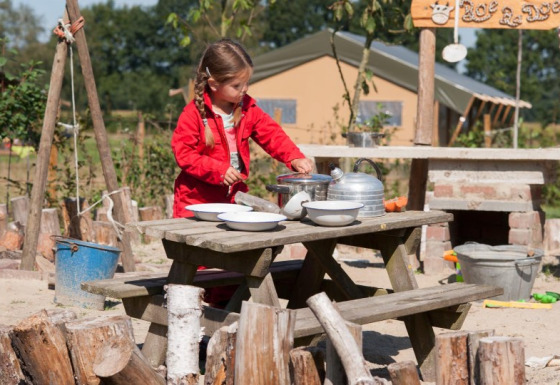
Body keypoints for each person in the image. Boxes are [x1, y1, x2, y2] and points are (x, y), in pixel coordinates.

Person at [171, 38, 314, 218]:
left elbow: (272, 134)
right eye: (237, 85)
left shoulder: (247, 108)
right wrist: (218, 170)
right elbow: (184, 154)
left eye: (247, 83)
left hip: (232, 201)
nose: (244, 89)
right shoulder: (193, 114)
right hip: (196, 205)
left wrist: (294, 157)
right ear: (214, 84)